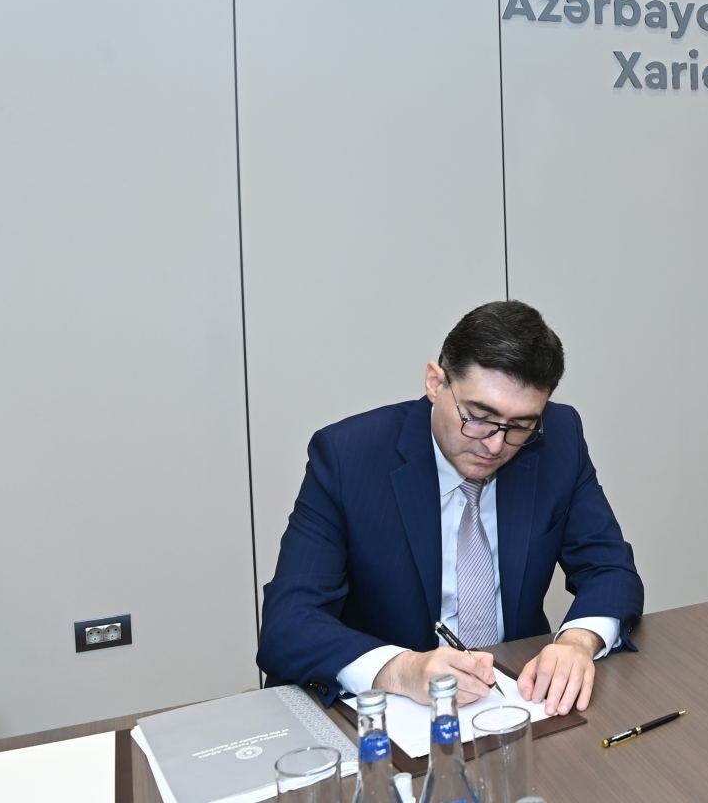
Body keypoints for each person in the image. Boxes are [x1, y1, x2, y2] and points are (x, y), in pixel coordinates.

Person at [257, 300, 642, 714]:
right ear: (436, 382)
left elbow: (610, 570)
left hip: (516, 699)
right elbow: (289, 622)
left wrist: (577, 642)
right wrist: (401, 669)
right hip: (392, 712)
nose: (495, 444)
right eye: (478, 416)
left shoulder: (559, 438)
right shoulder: (349, 457)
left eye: (520, 426)